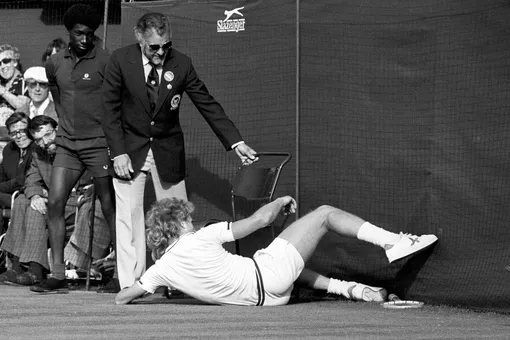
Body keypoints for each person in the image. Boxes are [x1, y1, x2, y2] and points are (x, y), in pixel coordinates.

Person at [102, 12, 258, 290]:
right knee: (129, 219)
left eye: (166, 45)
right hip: (128, 151)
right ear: (140, 39)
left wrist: (236, 142)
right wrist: (118, 153)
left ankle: (177, 283)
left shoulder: (182, 63)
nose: (161, 51)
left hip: (168, 151)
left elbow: (207, 103)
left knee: (178, 222)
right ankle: (131, 285)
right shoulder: (119, 60)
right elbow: (109, 111)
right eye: (154, 47)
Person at [116, 197, 438, 306]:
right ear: (178, 224)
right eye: (186, 217)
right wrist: (280, 201)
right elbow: (260, 220)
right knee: (325, 213)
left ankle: (352, 290)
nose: (190, 220)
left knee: (278, 260)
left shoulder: (160, 269)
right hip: (270, 278)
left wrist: (146, 290)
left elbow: (124, 296)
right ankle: (393, 242)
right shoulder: (203, 236)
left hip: (269, 299)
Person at [30, 4, 117, 294]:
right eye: (79, 33)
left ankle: (120, 273)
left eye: (90, 34)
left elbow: (116, 103)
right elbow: (58, 97)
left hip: (99, 144)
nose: (85, 38)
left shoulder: (106, 60)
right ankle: (57, 275)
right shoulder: (54, 64)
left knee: (108, 205)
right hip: (67, 144)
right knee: (55, 202)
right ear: (69, 32)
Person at [0, 116, 76, 285]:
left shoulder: (70, 149)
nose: (46, 142)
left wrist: (47, 196)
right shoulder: (38, 152)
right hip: (52, 201)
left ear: (57, 129)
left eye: (48, 134)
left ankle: (35, 269)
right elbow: (31, 180)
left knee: (35, 208)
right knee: (22, 200)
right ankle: (18, 265)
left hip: (71, 201)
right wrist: (35, 195)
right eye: (39, 139)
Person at [0, 112, 33, 232]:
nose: (18, 136)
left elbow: (23, 179)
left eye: (22, 131)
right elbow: (2, 175)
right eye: (13, 133)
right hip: (9, 195)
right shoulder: (9, 149)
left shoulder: (37, 148)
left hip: (28, 196)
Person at [0, 44, 30, 127]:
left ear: (15, 62)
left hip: (18, 132)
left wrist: (2, 91)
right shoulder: (2, 83)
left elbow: (23, 107)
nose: (2, 66)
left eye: (6, 61)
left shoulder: (25, 80)